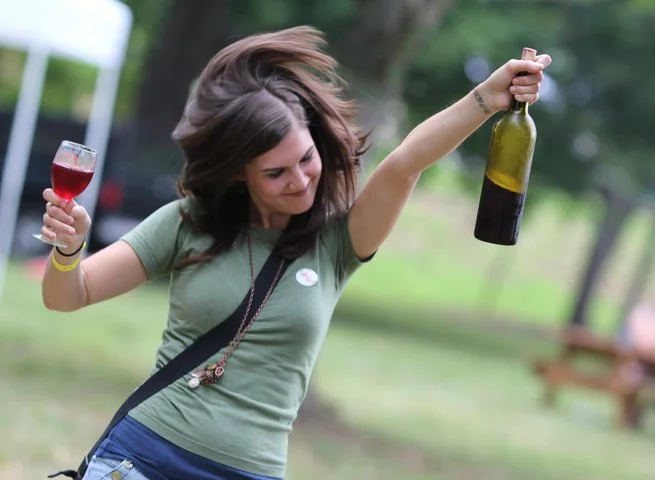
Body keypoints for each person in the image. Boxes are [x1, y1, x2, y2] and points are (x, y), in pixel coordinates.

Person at [41, 26, 550, 480]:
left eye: (306, 159)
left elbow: (404, 164)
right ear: (239, 175)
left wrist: (487, 98)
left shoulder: (337, 242)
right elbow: (70, 294)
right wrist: (69, 248)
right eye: (275, 173)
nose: (301, 180)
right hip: (144, 458)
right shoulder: (187, 223)